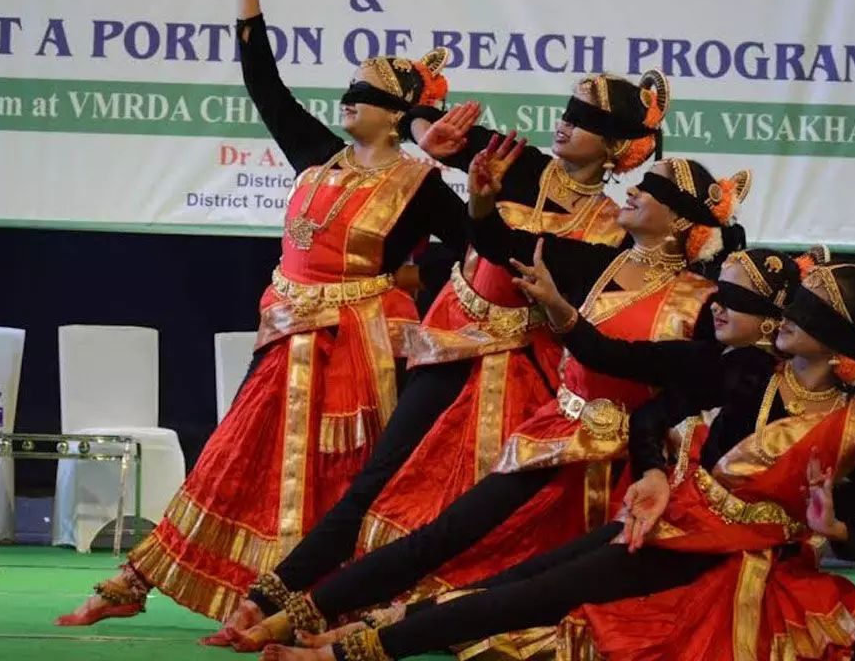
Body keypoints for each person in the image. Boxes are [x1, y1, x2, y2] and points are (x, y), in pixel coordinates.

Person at [54, 0, 468, 627]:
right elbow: (264, 84)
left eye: (362, 96)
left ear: (395, 114)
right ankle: (139, 580)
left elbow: (475, 244)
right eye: (347, 92)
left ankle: (308, 604)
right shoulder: (316, 155)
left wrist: (405, 278)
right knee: (234, 454)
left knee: (342, 473)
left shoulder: (420, 185)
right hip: (286, 336)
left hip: (356, 351)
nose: (347, 103)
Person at [211, 41, 674, 645]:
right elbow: (432, 129)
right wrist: (432, 138)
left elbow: (520, 262)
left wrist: (480, 206)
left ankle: (416, 617)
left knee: (466, 513)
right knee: (382, 477)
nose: (565, 123)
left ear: (614, 146)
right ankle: (272, 597)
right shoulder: (518, 160)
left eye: (584, 120)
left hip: (522, 366)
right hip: (448, 344)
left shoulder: (611, 226)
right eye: (566, 111)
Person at [267, 253, 855, 661]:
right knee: (516, 581)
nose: (787, 319)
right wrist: (653, 472)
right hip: (673, 520)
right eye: (792, 308)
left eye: (808, 317)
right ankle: (359, 627)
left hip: (721, 563)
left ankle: (341, 650)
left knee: (532, 597)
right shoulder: (748, 372)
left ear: (839, 350)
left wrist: (838, 533)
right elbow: (653, 413)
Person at [231, 152, 751, 652]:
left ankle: (367, 638)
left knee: (536, 587)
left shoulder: (702, 304)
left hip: (633, 467)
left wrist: (558, 310)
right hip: (558, 434)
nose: (634, 190)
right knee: (445, 535)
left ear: (680, 220)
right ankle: (295, 617)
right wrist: (480, 205)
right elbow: (504, 244)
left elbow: (640, 371)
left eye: (653, 189)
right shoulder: (597, 263)